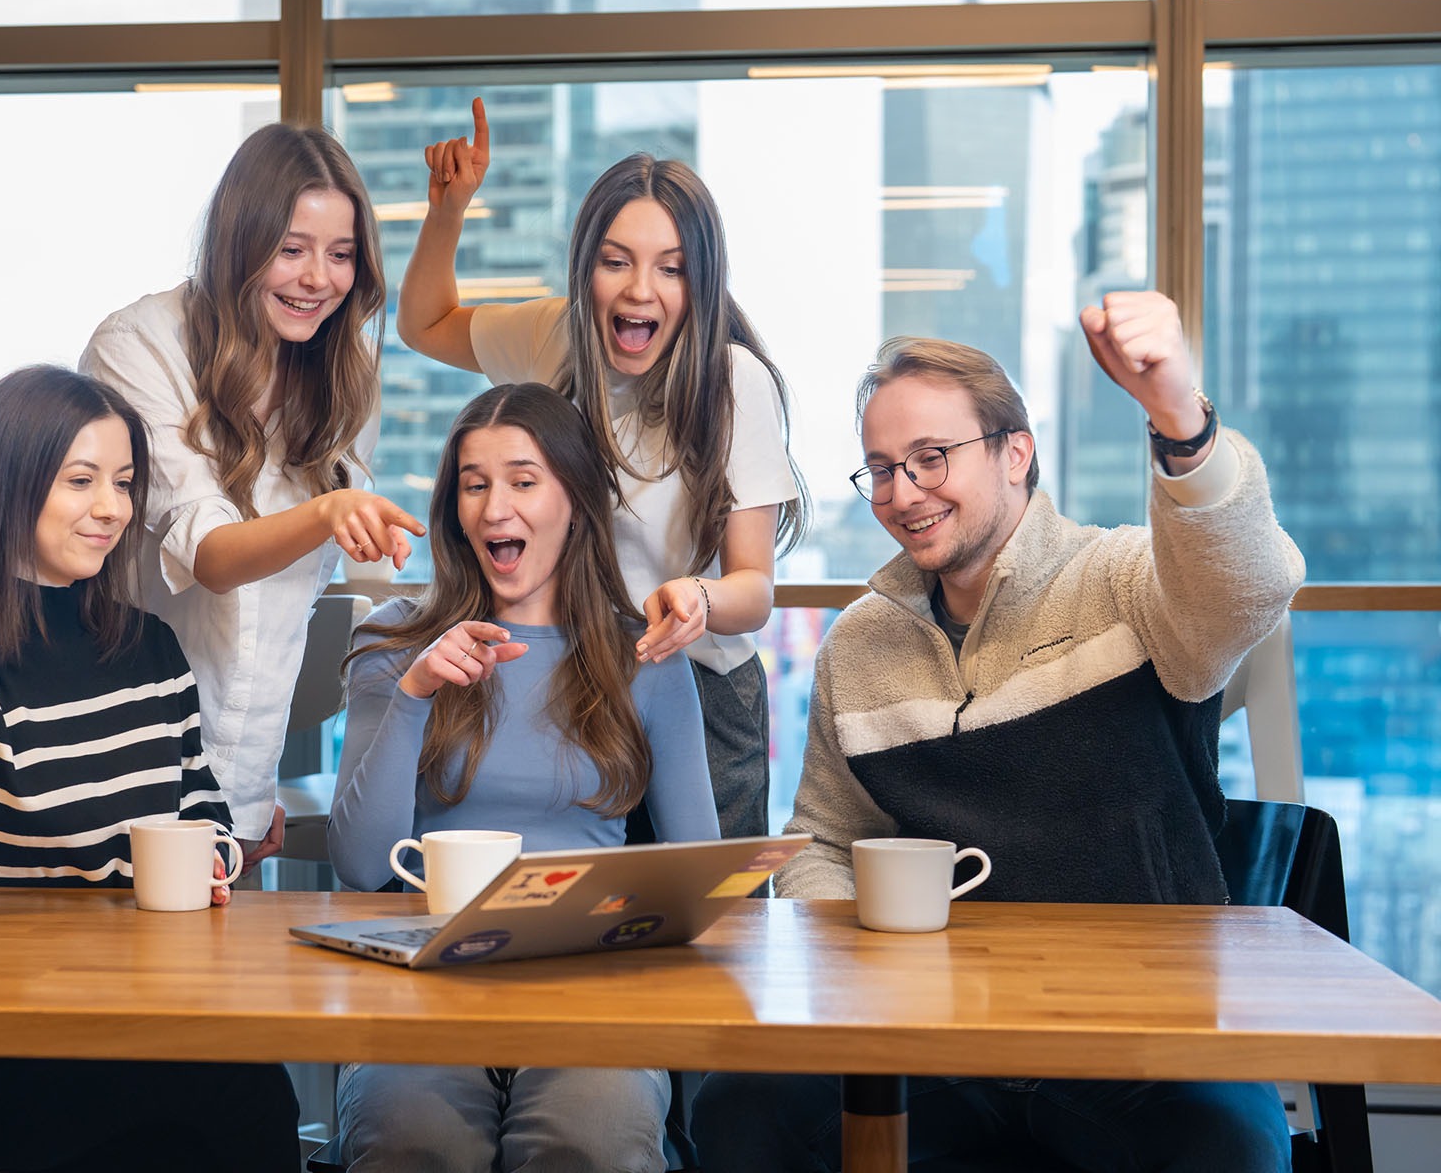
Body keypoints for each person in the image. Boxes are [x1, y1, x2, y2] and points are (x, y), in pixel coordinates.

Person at [691, 292, 1305, 1173]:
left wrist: (1179, 417)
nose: (904, 493)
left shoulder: (1125, 578)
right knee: (743, 1109)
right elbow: (820, 839)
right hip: (934, 1045)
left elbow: (1249, 586)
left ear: (1017, 453)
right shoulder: (860, 644)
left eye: (931, 458)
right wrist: (866, 954)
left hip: (1142, 1039)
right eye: (882, 469)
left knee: (1233, 1146)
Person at [0, 365, 301, 1172]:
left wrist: (217, 855)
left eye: (124, 482)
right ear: (6, 484)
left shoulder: (149, 648)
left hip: (136, 1007)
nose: (111, 508)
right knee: (238, 1102)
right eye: (80, 481)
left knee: (246, 1093)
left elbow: (199, 800)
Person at [328, 382, 720, 1172]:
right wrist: (416, 693)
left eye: (523, 480)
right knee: (412, 1140)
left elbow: (701, 882)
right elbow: (362, 865)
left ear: (574, 497)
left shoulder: (643, 659)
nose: (494, 507)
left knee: (592, 1140)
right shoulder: (394, 644)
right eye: (474, 485)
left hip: (594, 990)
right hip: (426, 988)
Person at [397, 98, 807, 842]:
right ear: (586, 267)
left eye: (671, 269)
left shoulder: (731, 380)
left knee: (706, 927)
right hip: (579, 689)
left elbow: (754, 591)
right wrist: (449, 211)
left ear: (702, 282)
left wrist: (699, 598)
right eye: (615, 262)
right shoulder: (555, 337)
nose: (639, 290)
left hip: (702, 692)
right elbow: (422, 324)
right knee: (592, 922)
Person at [80, 123, 424, 854]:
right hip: (117, 774)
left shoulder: (346, 383)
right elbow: (209, 556)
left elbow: (279, 622)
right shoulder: (141, 347)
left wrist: (247, 786)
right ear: (239, 241)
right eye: (291, 250)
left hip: (239, 792)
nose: (318, 279)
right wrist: (327, 512)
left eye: (340, 255)